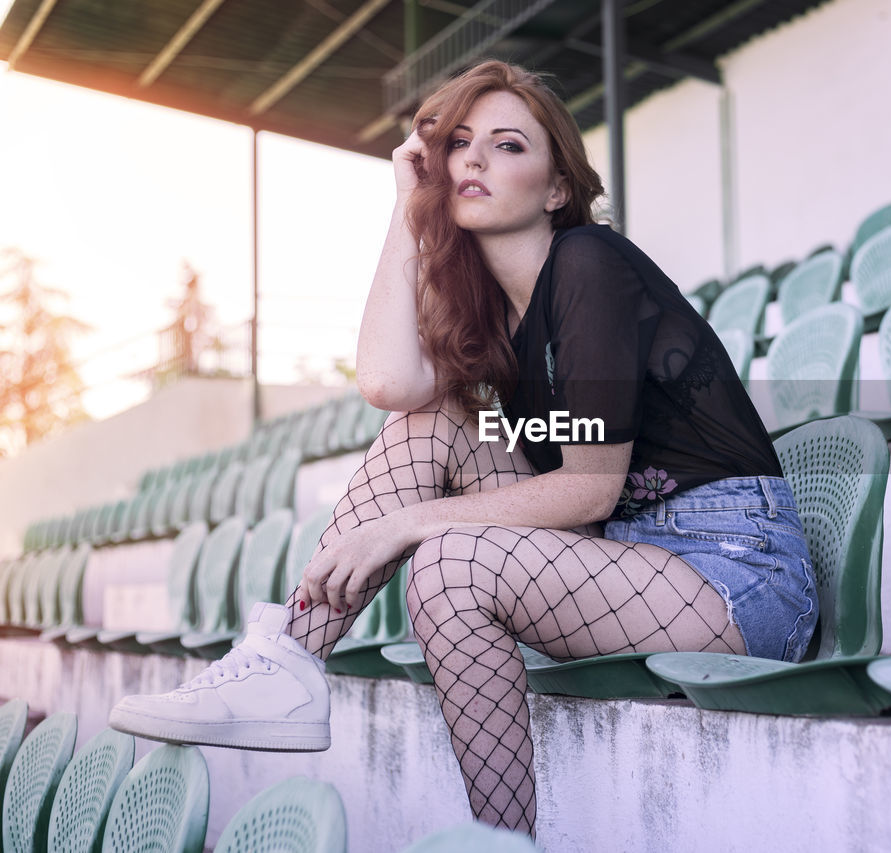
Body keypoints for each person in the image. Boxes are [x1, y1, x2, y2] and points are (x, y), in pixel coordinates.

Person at [109, 59, 818, 836]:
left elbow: (589, 488)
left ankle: (499, 842)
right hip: (622, 556)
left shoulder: (591, 262)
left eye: (509, 145)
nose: (474, 159)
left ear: (555, 189)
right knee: (434, 420)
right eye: (461, 144)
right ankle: (287, 657)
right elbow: (386, 384)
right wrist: (409, 210)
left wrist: (409, 523)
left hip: (732, 568)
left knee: (452, 561)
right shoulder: (497, 317)